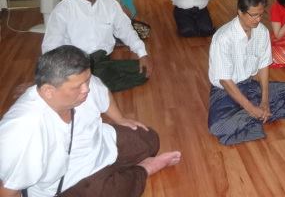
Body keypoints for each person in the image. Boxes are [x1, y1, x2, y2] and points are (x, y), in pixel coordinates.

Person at [0, 46, 180, 197]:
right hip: (68, 180)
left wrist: (120, 119)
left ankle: (115, 172)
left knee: (150, 139)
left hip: (99, 143)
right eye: (78, 86)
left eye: (87, 80)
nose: (86, 89)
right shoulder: (23, 129)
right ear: (48, 91)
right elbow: (8, 189)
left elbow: (102, 91)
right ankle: (144, 169)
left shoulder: (81, 80)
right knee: (110, 192)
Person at [207, 0, 285, 145]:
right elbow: (225, 81)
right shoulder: (223, 38)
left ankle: (256, 115)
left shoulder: (262, 32)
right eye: (253, 15)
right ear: (240, 12)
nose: (258, 19)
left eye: (261, 14)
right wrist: (251, 109)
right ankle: (256, 114)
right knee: (217, 127)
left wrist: (265, 100)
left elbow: (263, 66)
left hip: (250, 86)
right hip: (226, 91)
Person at [42, 0, 152, 92]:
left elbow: (126, 30)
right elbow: (50, 46)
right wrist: (56, 72)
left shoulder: (110, 4)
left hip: (103, 60)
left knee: (143, 71)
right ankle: (90, 84)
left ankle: (88, 86)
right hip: (76, 64)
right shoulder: (63, 9)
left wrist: (142, 54)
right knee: (75, 77)